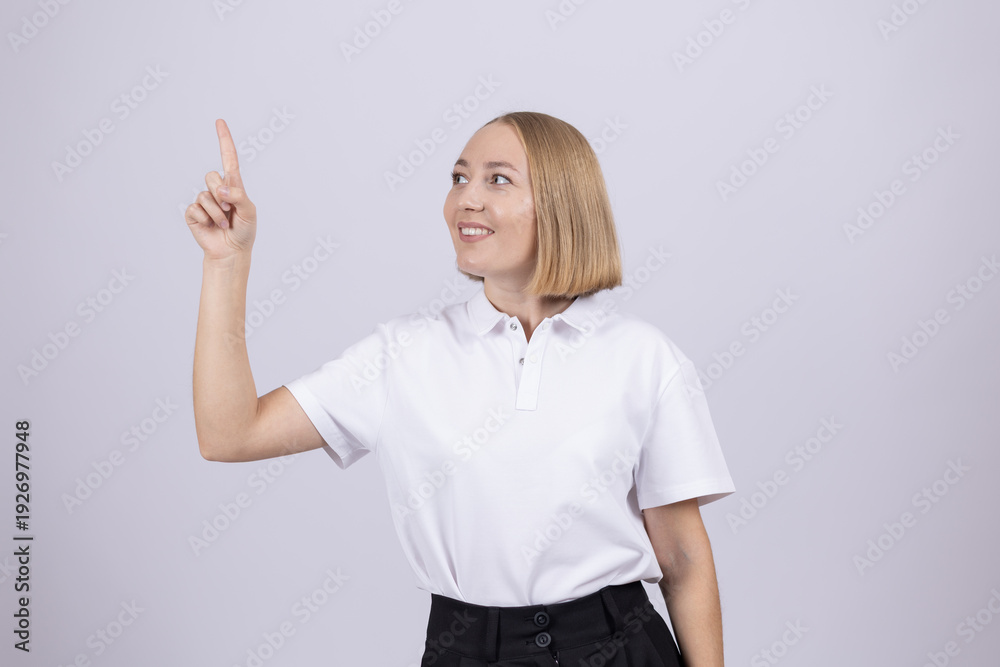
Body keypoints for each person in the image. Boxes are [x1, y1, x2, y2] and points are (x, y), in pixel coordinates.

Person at [185, 112, 735, 667]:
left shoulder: (644, 358)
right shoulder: (400, 355)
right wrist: (226, 263)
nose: (466, 199)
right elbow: (230, 434)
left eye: (498, 179)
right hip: (464, 648)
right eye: (458, 178)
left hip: (620, 647)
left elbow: (684, 563)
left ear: (562, 202)